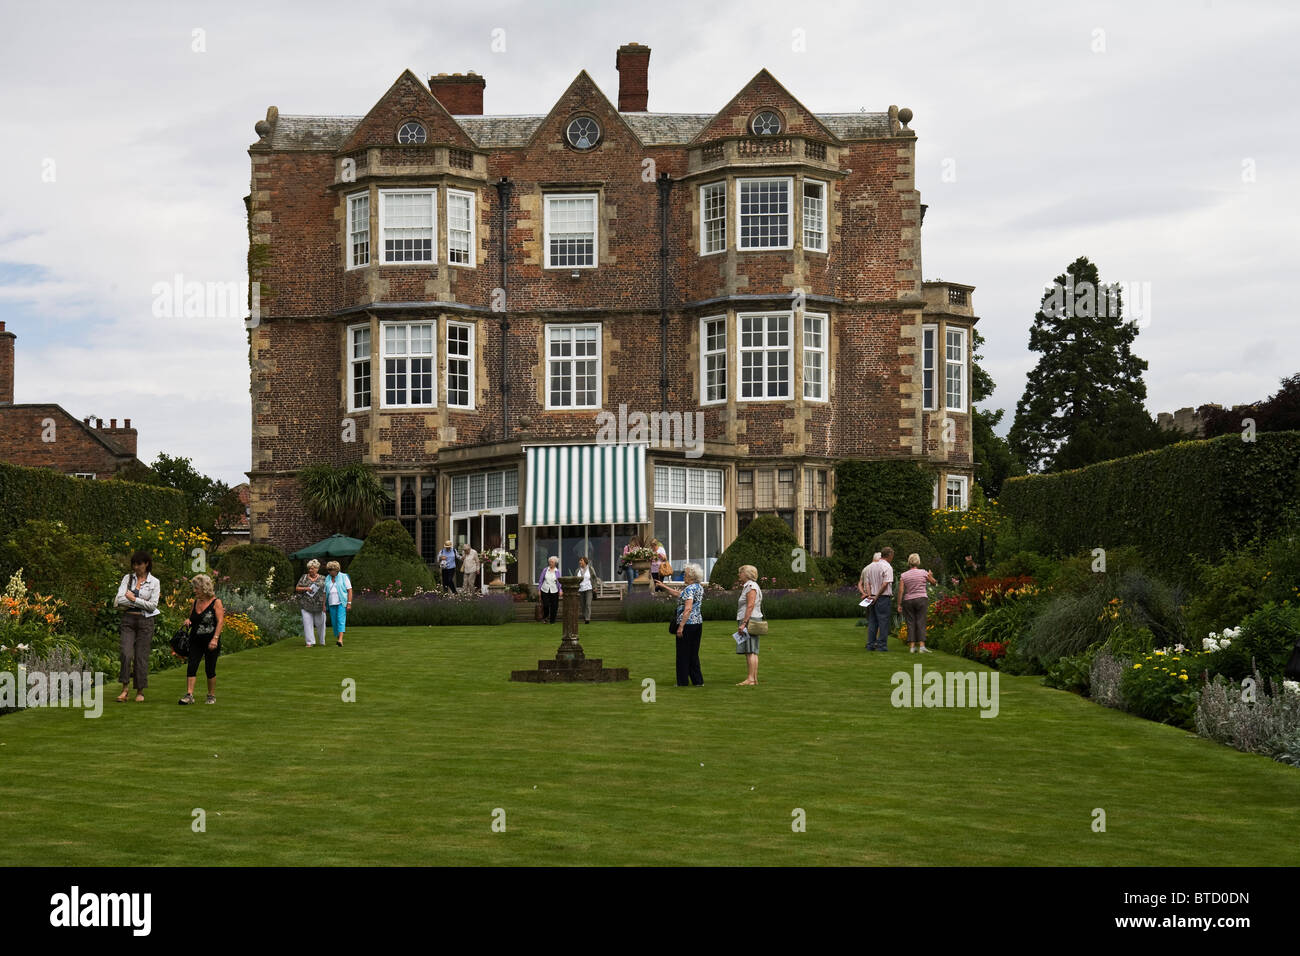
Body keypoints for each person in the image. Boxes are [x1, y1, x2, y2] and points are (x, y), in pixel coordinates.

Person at [114, 551, 161, 702]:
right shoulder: (127, 579)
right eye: (134, 564)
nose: (136, 567)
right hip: (128, 620)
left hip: (145, 622)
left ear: (146, 564)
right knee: (126, 653)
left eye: (139, 564)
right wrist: (139, 602)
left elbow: (153, 606)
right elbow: (119, 600)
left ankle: (140, 691)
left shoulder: (154, 582)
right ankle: (125, 689)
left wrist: (134, 599)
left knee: (141, 656)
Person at [656, 563, 705, 687]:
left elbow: (687, 608)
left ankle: (682, 682)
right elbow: (679, 595)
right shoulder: (698, 587)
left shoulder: (689, 589)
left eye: (686, 574)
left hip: (687, 624)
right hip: (697, 623)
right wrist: (664, 586)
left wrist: (681, 626)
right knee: (693, 653)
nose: (684, 576)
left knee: (683, 654)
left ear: (691, 576)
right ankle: (697, 681)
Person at [179, 574, 223, 705]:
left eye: (196, 588)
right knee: (191, 666)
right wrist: (188, 621)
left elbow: (220, 622)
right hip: (195, 640)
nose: (194, 590)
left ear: (204, 588)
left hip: (211, 641)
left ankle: (211, 695)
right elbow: (192, 619)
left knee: (210, 669)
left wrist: (215, 639)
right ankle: (189, 695)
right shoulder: (195, 602)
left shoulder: (216, 602)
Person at [899, 553, 938, 654]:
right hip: (921, 599)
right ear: (918, 562)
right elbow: (934, 583)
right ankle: (922, 646)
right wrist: (931, 576)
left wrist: (899, 604)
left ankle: (912, 647)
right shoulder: (923, 572)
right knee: (921, 621)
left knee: (910, 623)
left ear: (909, 562)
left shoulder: (904, 575)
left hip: (908, 600)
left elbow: (901, 590)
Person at [862, 547, 896, 651]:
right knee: (883, 622)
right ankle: (882, 645)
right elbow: (885, 583)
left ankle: (870, 644)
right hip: (883, 597)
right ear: (889, 555)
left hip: (871, 596)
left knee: (872, 621)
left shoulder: (871, 567)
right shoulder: (887, 567)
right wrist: (876, 596)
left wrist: (869, 595)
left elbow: (867, 582)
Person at [735, 565, 763, 685]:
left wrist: (744, 623)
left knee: (750, 650)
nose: (739, 575)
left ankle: (751, 678)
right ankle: (753, 678)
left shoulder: (750, 586)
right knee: (752, 650)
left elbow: (750, 605)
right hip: (752, 619)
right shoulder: (751, 586)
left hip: (749, 619)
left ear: (746, 574)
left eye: (741, 573)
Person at [296, 559, 328, 647]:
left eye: (312, 568)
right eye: (309, 568)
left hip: (320, 605)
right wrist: (306, 588)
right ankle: (309, 642)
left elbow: (327, 591)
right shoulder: (304, 577)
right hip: (306, 604)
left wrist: (326, 603)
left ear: (317, 568)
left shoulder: (323, 578)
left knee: (320, 623)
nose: (310, 570)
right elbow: (297, 588)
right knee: (307, 623)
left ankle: (322, 641)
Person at [323, 560, 353, 647]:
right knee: (334, 622)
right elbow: (324, 592)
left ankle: (340, 640)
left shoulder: (344, 577)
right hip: (331, 603)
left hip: (341, 602)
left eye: (330, 570)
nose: (329, 571)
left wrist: (349, 603)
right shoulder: (327, 578)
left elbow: (349, 590)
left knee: (341, 620)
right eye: (328, 570)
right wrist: (323, 604)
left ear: (336, 570)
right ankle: (338, 638)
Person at [537, 556, 562, 624]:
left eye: (552, 562)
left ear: (555, 563)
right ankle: (545, 617)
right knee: (545, 605)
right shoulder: (545, 570)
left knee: (554, 606)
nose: (550, 563)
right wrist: (539, 590)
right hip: (545, 589)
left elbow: (559, 582)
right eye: (550, 562)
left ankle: (552, 620)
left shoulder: (557, 571)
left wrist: (560, 590)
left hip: (554, 590)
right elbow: (541, 580)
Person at [576, 555, 596, 624]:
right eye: (580, 560)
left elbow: (594, 578)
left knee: (588, 604)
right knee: (583, 605)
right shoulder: (577, 570)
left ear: (585, 561)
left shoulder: (590, 569)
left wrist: (595, 587)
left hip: (589, 589)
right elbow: (575, 580)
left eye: (581, 560)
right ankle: (585, 616)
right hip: (581, 589)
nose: (580, 562)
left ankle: (587, 619)